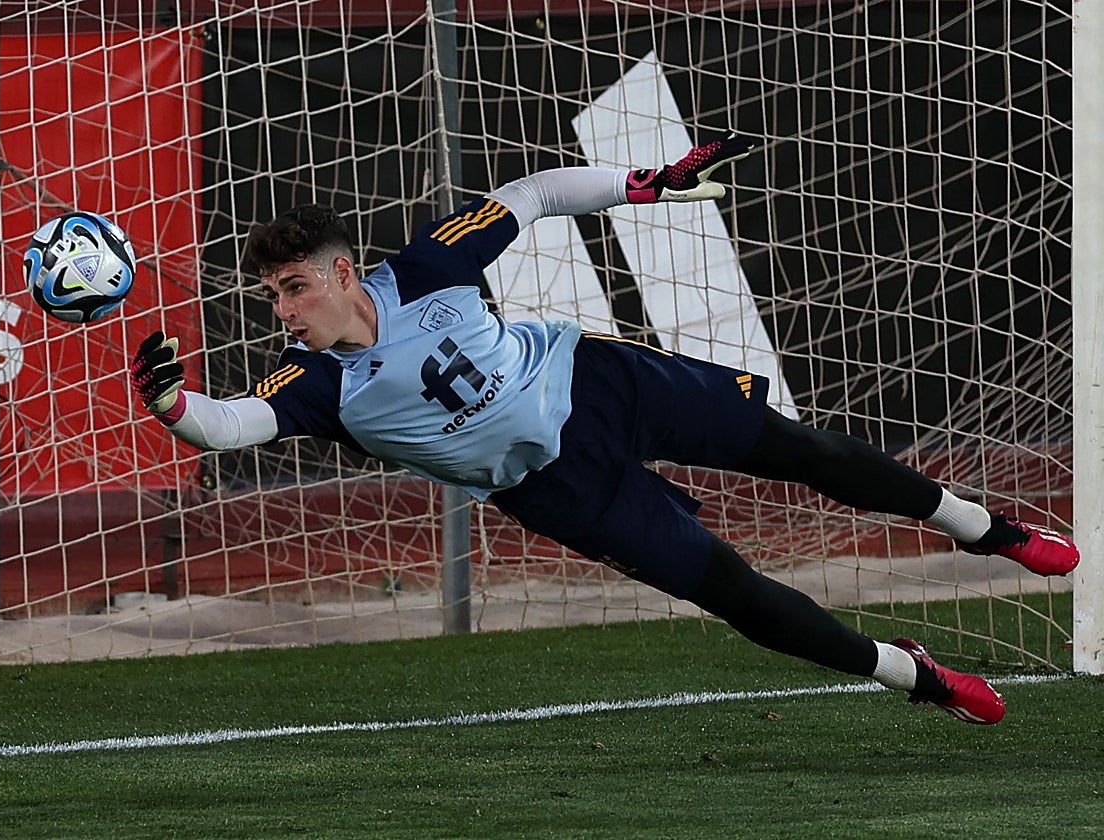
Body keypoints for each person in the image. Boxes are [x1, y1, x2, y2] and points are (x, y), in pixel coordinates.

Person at [130, 132, 1079, 725]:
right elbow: (228, 427)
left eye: (293, 289)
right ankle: (909, 676)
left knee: (804, 450)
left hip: (599, 382)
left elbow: (534, 194)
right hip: (555, 485)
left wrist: (644, 183)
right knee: (734, 593)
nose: (283, 312)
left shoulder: (426, 267)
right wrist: (172, 404)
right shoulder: (310, 383)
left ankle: (987, 529)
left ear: (344, 275)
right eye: (271, 296)